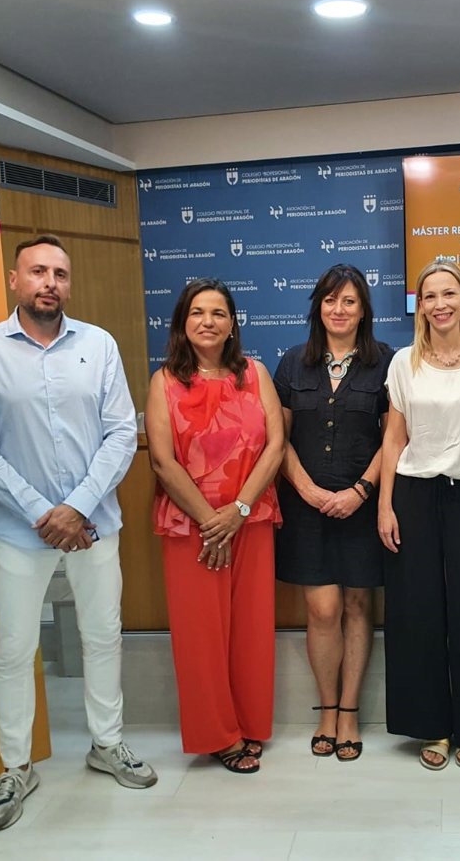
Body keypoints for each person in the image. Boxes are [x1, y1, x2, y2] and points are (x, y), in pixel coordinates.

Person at [0, 234, 156, 833]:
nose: (50, 283)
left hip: (94, 525)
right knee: (15, 649)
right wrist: (46, 512)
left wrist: (77, 507)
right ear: (14, 280)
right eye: (38, 271)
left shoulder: (99, 344)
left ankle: (107, 743)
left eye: (60, 274)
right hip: (21, 531)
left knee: (102, 636)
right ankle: (15, 766)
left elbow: (120, 434)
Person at [377, 260, 460, 771]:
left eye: (449, 293)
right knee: (417, 614)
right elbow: (394, 437)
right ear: (420, 306)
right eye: (430, 296)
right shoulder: (403, 363)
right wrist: (385, 505)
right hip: (414, 495)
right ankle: (430, 726)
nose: (440, 304)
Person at [145, 278, 283, 774]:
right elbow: (162, 461)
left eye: (218, 313)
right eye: (198, 312)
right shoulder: (164, 382)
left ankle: (249, 722)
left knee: (251, 629)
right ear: (182, 323)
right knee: (200, 636)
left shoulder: (255, 373)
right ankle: (218, 735)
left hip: (250, 519)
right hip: (193, 527)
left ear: (232, 324)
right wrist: (212, 522)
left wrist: (238, 511)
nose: (208, 321)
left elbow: (276, 445)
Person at [274, 265, 392, 761]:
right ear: (317, 307)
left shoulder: (386, 362)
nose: (338, 310)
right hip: (306, 508)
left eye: (349, 301)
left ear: (363, 310)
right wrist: (307, 489)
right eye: (329, 300)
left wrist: (361, 491)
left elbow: (394, 438)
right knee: (322, 610)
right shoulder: (292, 363)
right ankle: (325, 708)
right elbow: (277, 439)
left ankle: (349, 712)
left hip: (362, 506)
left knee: (358, 606)